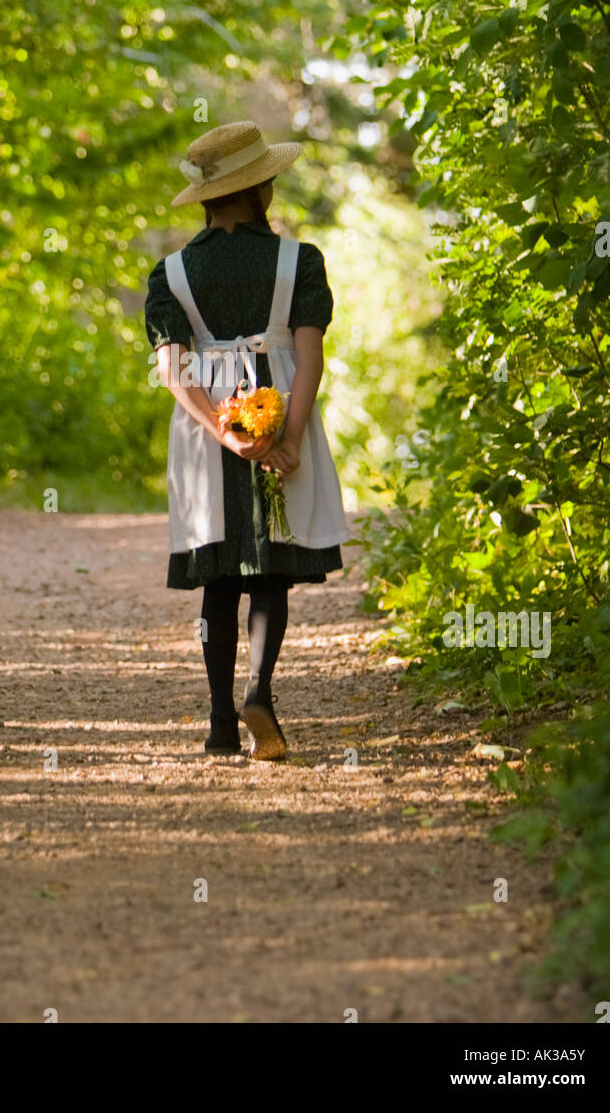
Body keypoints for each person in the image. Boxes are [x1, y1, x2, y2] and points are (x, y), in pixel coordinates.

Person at [144, 121, 349, 760]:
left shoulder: (172, 273)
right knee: (271, 571)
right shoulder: (300, 260)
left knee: (219, 574)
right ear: (261, 187)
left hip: (207, 427)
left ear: (206, 196)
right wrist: (286, 436)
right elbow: (311, 359)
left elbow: (173, 371)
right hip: (282, 406)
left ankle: (219, 723)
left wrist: (225, 434)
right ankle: (259, 691)